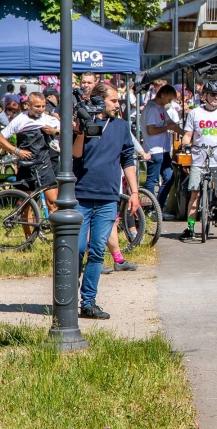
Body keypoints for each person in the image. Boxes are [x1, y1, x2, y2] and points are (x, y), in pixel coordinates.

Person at [72, 83, 140, 320]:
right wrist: (81, 130)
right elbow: (76, 155)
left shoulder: (121, 126)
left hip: (108, 197)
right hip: (81, 196)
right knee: (77, 249)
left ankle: (88, 302)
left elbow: (127, 159)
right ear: (99, 101)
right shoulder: (82, 123)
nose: (117, 105)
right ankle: (68, 295)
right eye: (114, 101)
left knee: (97, 251)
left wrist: (134, 192)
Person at [180, 80, 217, 242]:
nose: (216, 98)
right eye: (213, 94)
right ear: (204, 95)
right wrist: (185, 144)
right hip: (199, 158)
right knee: (195, 194)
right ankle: (190, 228)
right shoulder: (195, 113)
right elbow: (187, 135)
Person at [0, 94, 60, 221]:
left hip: (44, 164)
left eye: (43, 106)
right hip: (26, 166)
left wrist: (55, 132)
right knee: (26, 208)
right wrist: (16, 151)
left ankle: (54, 233)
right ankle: (28, 233)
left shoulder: (49, 120)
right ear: (28, 105)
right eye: (37, 106)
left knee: (53, 203)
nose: (41, 109)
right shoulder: (20, 120)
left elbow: (69, 132)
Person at [141, 84, 181, 208]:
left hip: (163, 149)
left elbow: (171, 123)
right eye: (169, 99)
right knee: (152, 180)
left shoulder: (160, 108)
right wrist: (168, 127)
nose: (169, 102)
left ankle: (158, 207)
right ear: (162, 95)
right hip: (154, 149)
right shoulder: (152, 109)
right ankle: (150, 208)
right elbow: (150, 130)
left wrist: (186, 134)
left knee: (169, 177)